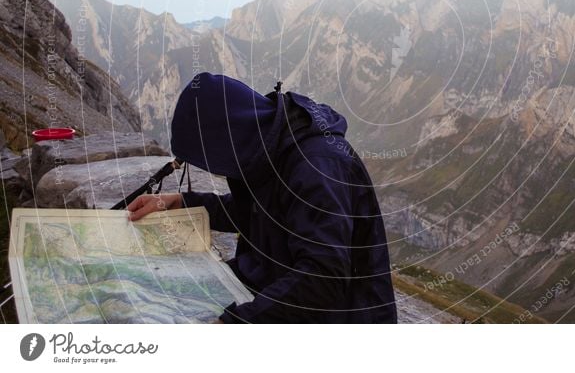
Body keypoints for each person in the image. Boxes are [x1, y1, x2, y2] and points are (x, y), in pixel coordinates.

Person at [127, 72, 397, 323]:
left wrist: (235, 323)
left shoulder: (316, 166)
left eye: (209, 160)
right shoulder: (268, 143)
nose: (213, 169)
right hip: (273, 286)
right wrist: (181, 203)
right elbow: (260, 212)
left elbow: (322, 278)